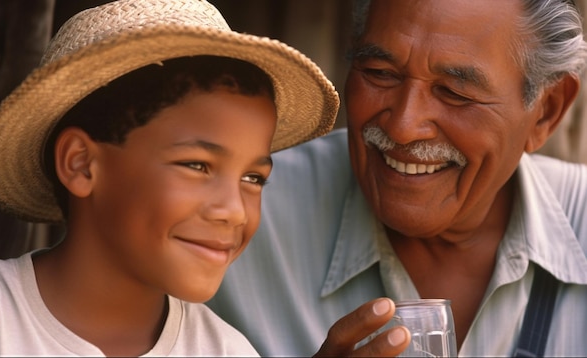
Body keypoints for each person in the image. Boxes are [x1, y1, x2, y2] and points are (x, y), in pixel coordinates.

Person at [207, 0, 587, 356]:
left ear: (546, 113)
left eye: (454, 93)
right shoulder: (234, 219)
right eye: (380, 74)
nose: (404, 127)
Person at [0, 0, 338, 356]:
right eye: (197, 166)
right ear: (80, 164)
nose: (235, 212)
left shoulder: (227, 351)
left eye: (254, 178)